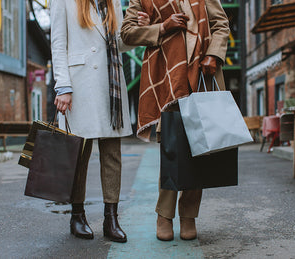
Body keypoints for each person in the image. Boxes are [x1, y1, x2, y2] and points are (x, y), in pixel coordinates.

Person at [121, 0, 230, 241]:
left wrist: (214, 54)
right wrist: (162, 27)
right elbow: (127, 33)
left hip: (201, 73)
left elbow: (221, 24)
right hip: (166, 78)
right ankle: (165, 215)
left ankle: (188, 215)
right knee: (172, 148)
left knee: (200, 148)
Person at [50, 0, 134, 243]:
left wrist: (136, 32)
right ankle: (77, 215)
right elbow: (58, 42)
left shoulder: (113, 2)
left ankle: (111, 219)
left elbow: (118, 42)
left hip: (111, 84)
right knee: (79, 155)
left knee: (112, 154)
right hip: (80, 84)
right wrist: (63, 85)